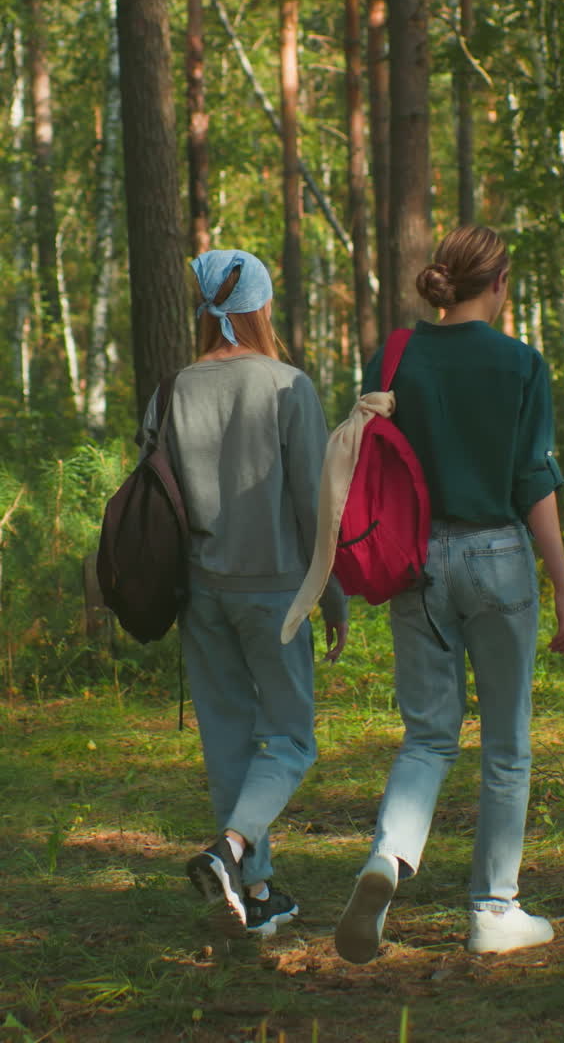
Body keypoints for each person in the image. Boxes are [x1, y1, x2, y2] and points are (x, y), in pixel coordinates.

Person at [333, 224, 564, 963]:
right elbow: (533, 483)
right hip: (499, 557)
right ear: (498, 283)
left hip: (417, 561)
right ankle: (493, 910)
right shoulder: (520, 364)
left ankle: (387, 859)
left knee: (430, 735)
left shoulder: (394, 356)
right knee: (506, 745)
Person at [141, 249, 348, 937]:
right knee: (290, 739)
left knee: (228, 741)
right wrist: (335, 598)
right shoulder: (289, 386)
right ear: (259, 306)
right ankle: (231, 853)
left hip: (201, 593)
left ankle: (255, 896)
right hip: (278, 593)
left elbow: (155, 499)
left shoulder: (170, 391)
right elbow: (317, 506)